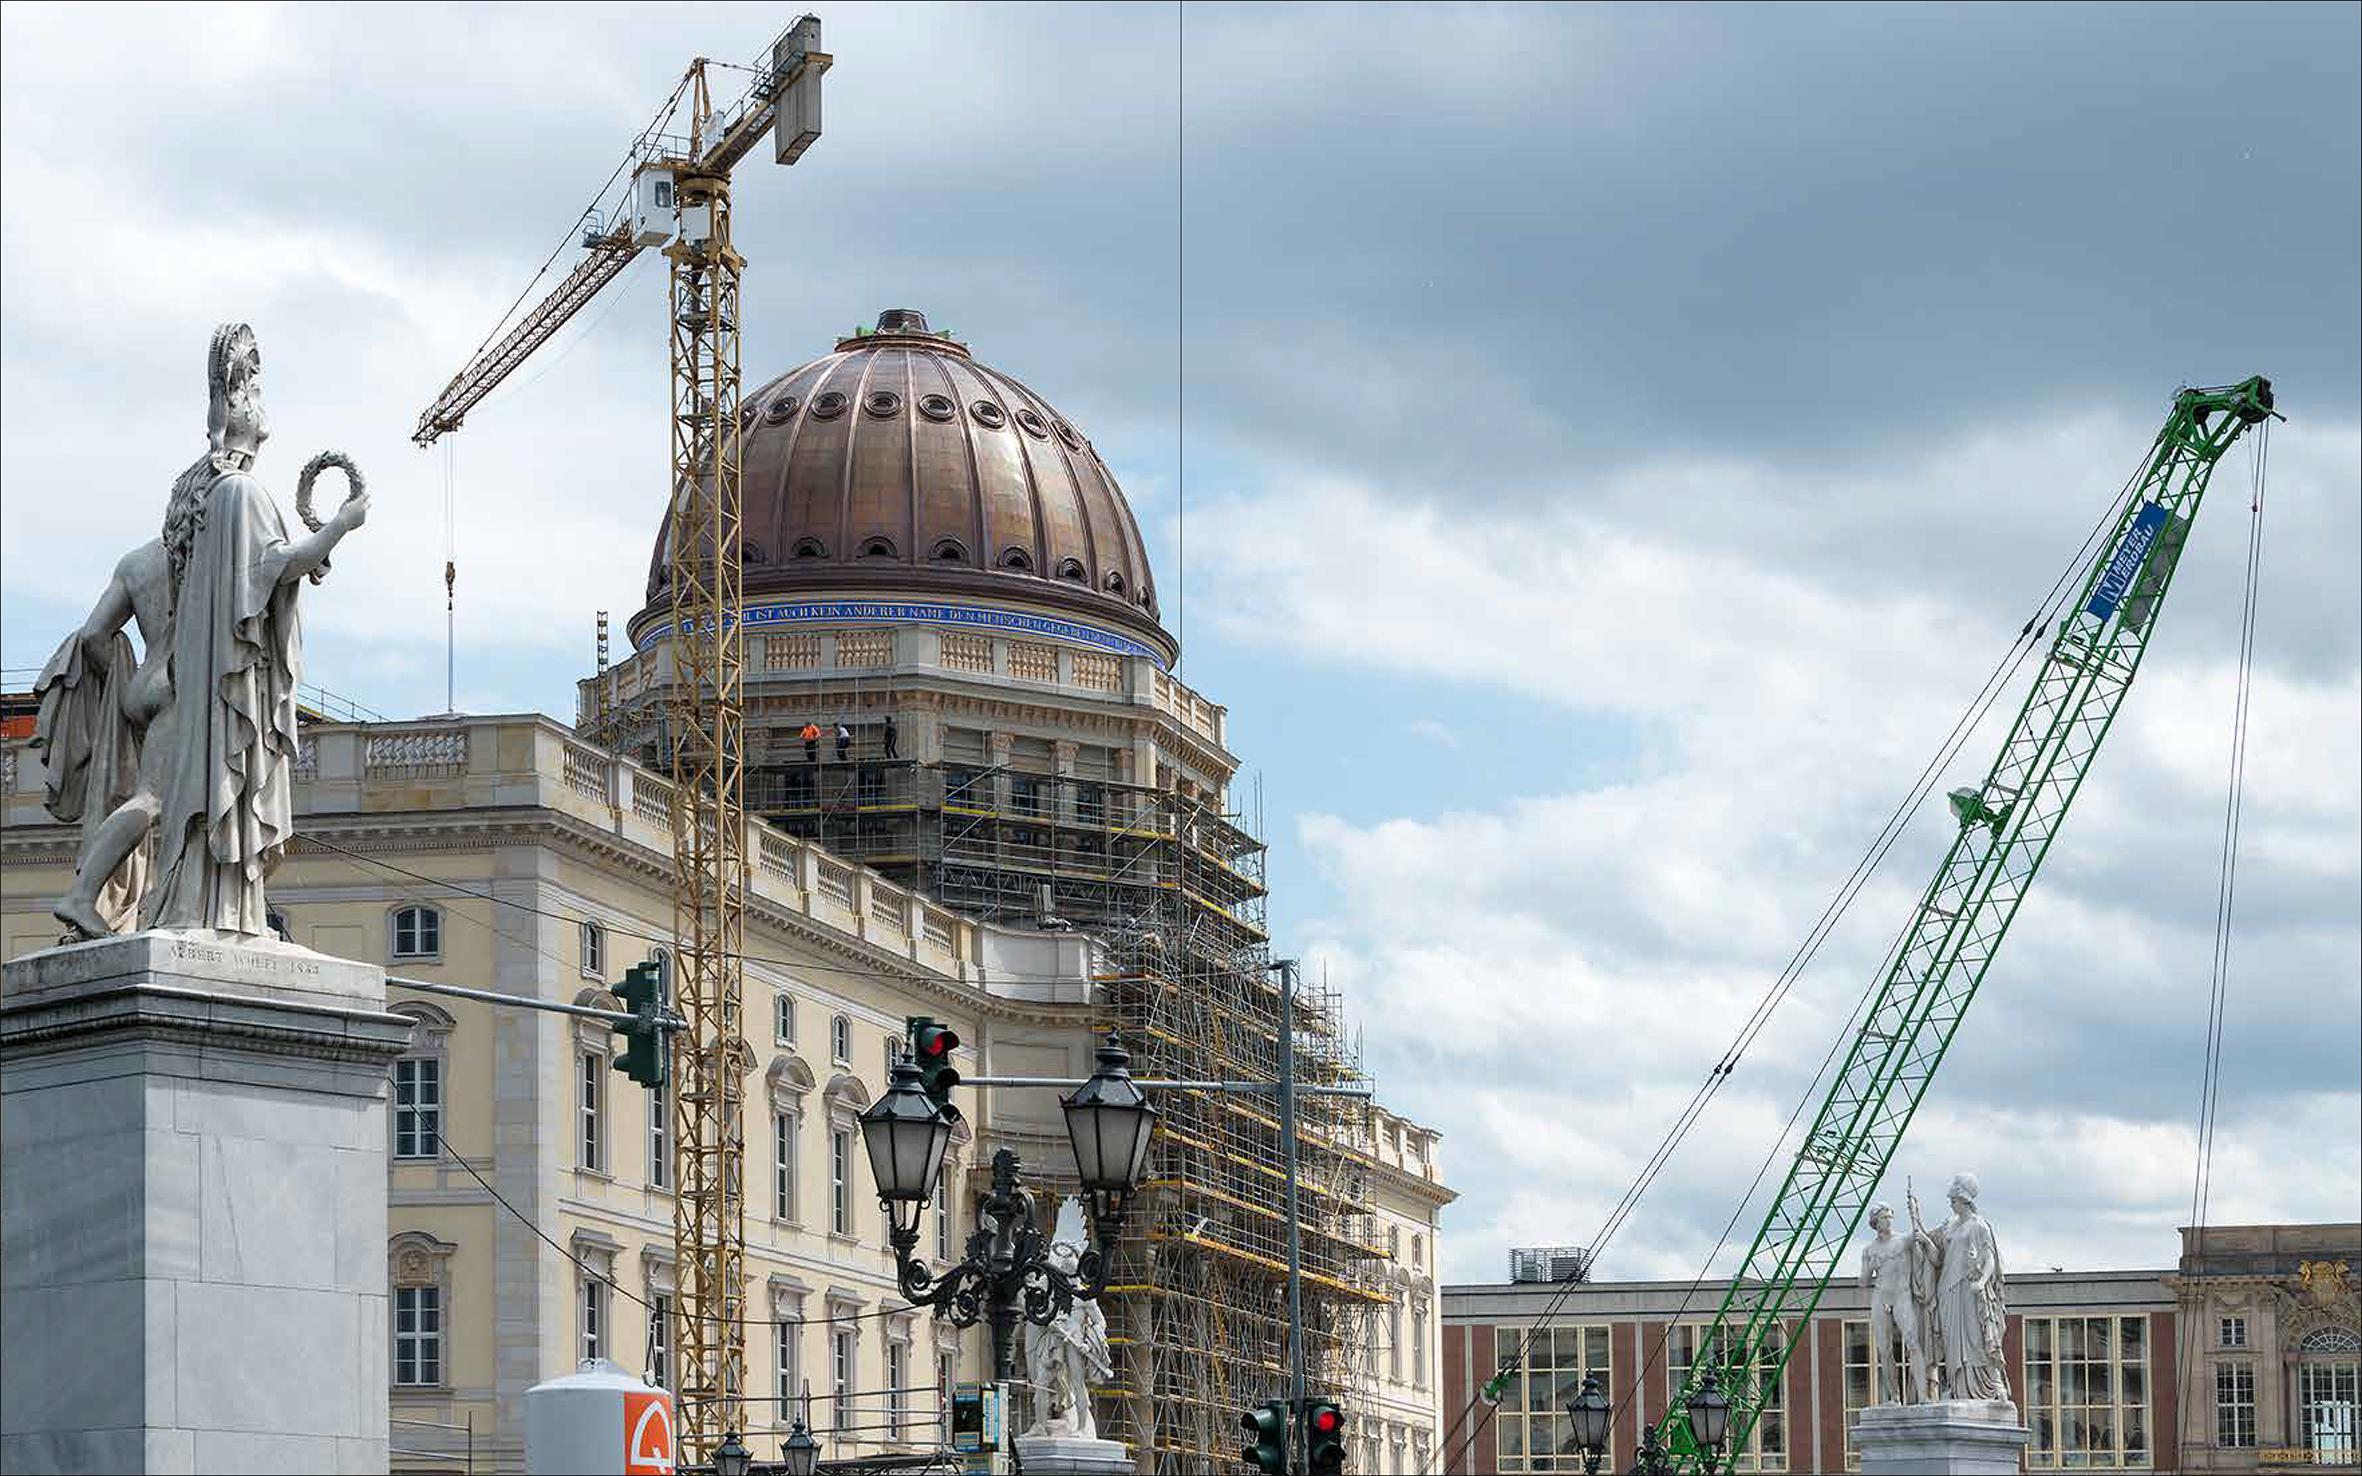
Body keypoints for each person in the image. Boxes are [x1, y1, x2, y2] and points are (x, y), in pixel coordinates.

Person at [47, 322, 366, 938]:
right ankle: (84, 893)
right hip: (184, 686)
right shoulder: (227, 520)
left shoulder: (143, 561)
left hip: (148, 680)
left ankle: (111, 896)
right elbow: (273, 567)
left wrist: (125, 678)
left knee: (156, 799)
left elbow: (91, 635)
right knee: (156, 801)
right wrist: (341, 526)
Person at [1919, 1174, 2011, 1401]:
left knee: (1976, 1338)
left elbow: (1990, 1258)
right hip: (1947, 1289)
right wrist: (1922, 1239)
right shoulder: (1949, 1225)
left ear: (1964, 1199)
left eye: (1954, 1199)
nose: (1951, 1202)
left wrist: (1981, 1282)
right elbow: (1937, 1258)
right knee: (1952, 1344)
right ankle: (1957, 1387)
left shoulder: (1978, 1226)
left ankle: (1989, 1386)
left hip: (1969, 1288)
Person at [1860, 1203, 1935, 1405]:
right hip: (1881, 1298)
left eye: (1890, 1216)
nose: (1888, 1220)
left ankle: (1923, 1395)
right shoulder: (1869, 1250)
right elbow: (1863, 1282)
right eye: (1884, 1217)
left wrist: (1916, 1216)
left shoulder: (1904, 1240)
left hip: (1902, 1297)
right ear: (1875, 1222)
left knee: (1912, 1342)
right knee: (1884, 1350)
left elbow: (1922, 1237)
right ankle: (1894, 1396)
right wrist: (1870, 1267)